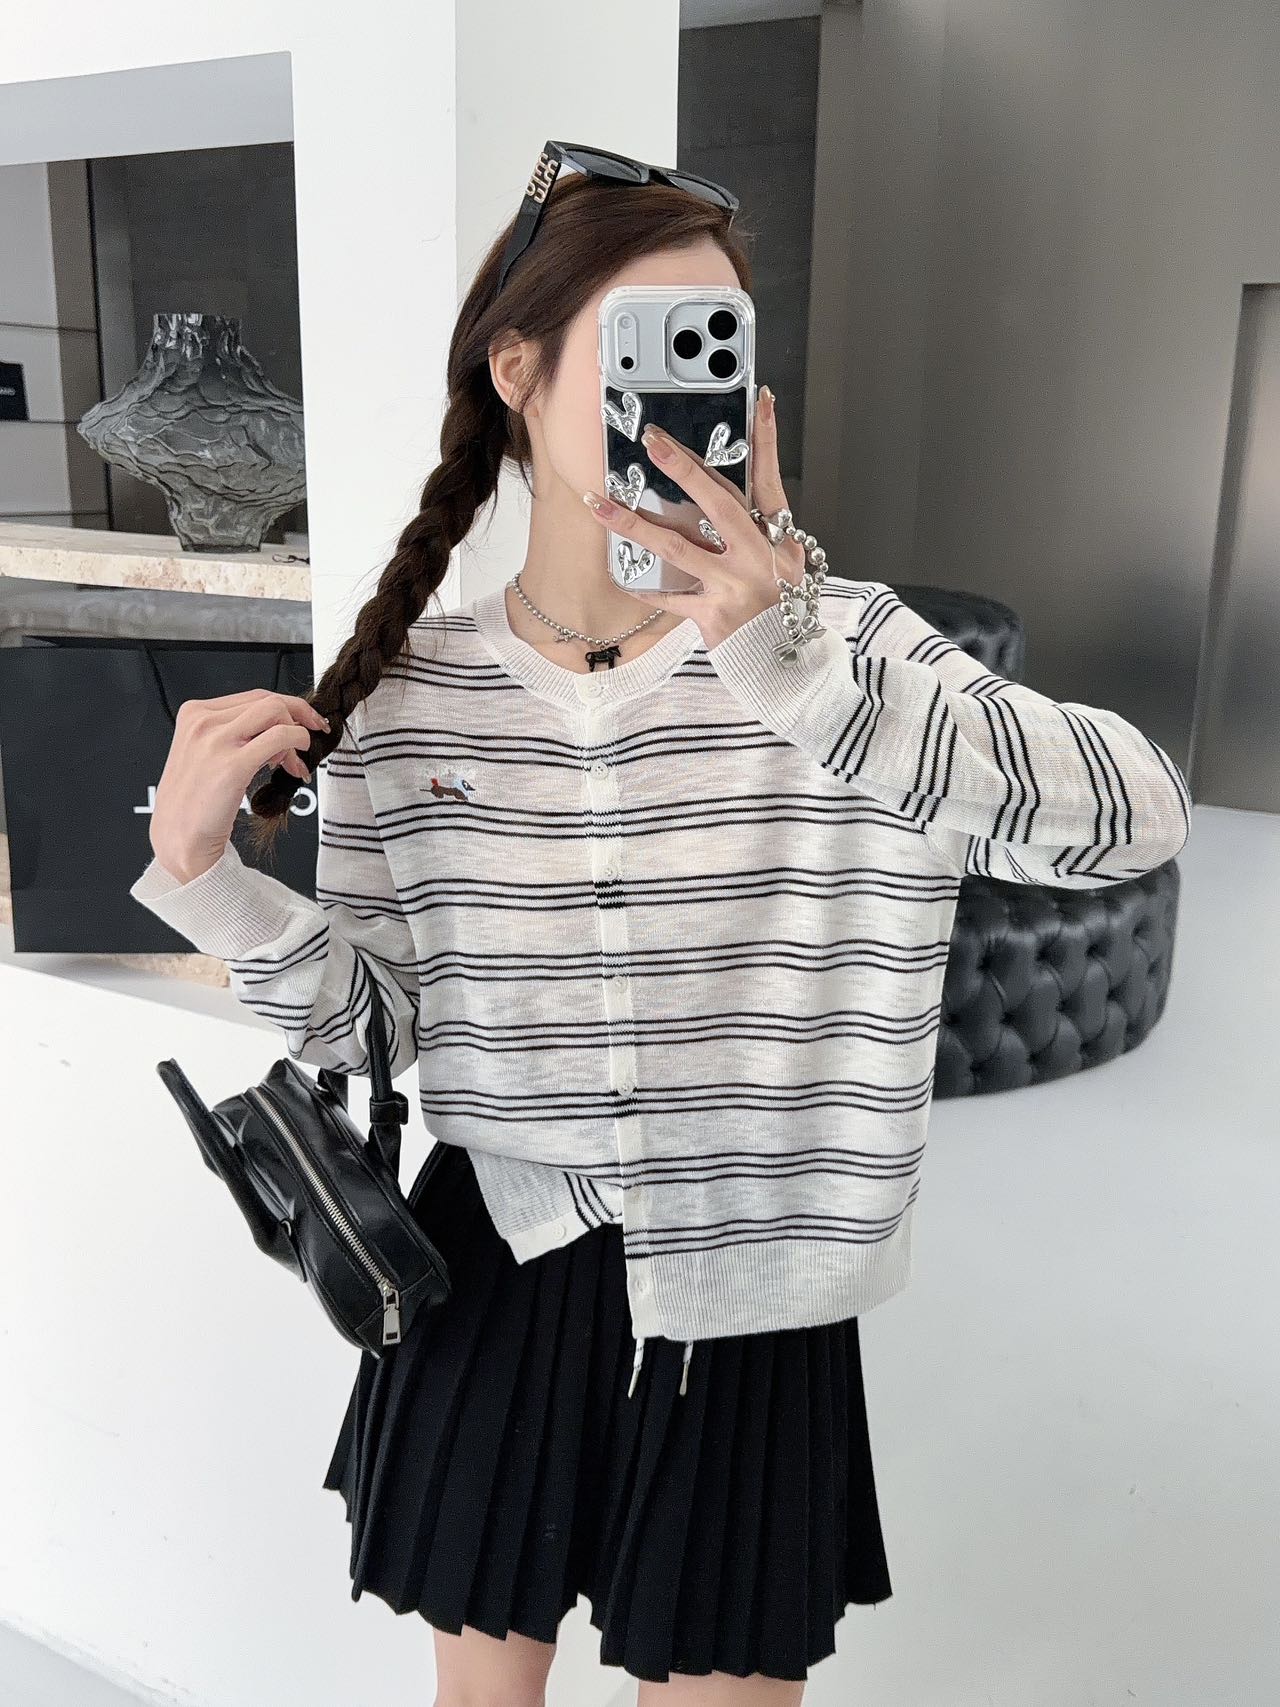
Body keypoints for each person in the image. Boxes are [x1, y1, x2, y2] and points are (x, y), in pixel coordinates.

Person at [129, 151, 1192, 1706]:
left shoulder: (846, 654)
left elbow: (1136, 816)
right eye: (646, 345)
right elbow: (380, 1029)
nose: (685, 393)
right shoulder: (413, 692)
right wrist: (207, 877)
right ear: (518, 371)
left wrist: (803, 673)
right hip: (495, 1260)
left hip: (756, 1293)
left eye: (719, 350)